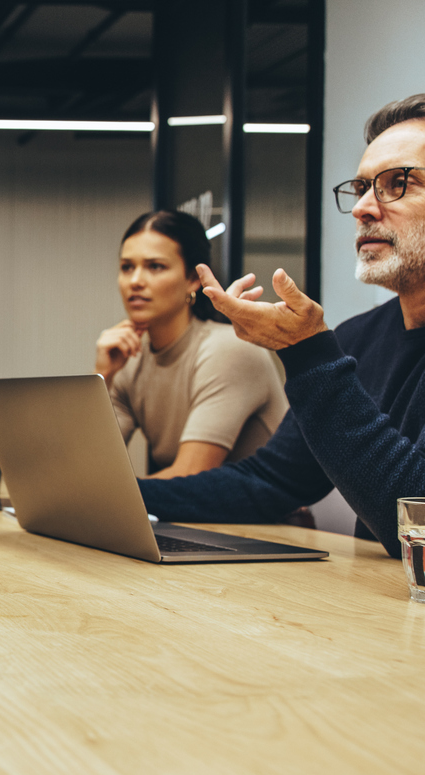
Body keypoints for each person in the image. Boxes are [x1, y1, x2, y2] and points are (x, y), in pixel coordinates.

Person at [138, 94, 425, 558]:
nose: (362, 209)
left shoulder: (333, 349)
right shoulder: (359, 337)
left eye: (397, 184)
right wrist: (122, 497)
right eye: (362, 187)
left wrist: (309, 353)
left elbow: (417, 522)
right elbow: (270, 482)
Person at [94, 210, 287, 478]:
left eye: (155, 266)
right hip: (195, 514)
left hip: (263, 518)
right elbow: (90, 468)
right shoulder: (129, 360)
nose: (135, 281)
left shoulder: (228, 349)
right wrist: (103, 376)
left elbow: (192, 473)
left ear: (193, 280)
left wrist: (101, 496)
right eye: (127, 267)